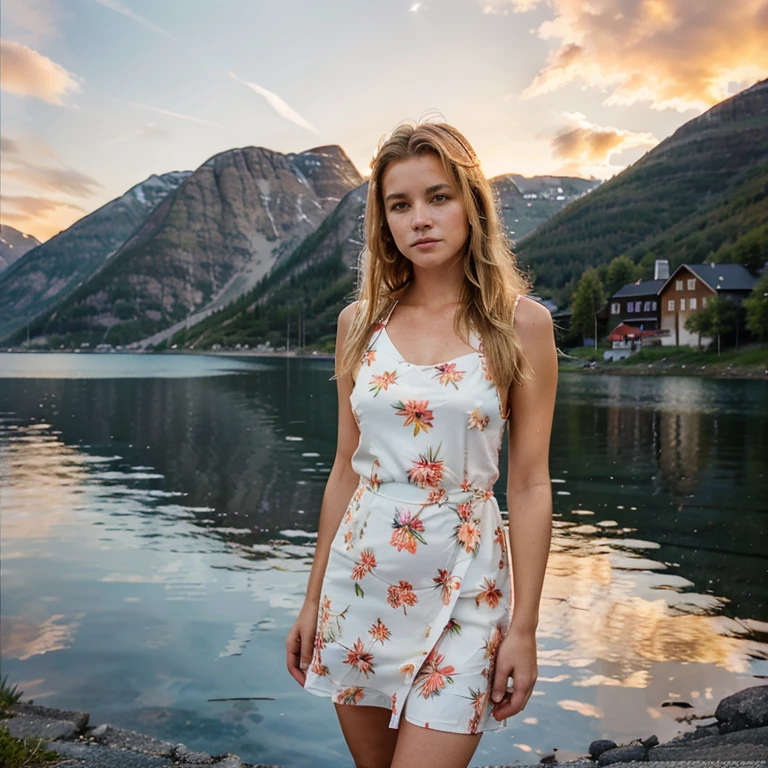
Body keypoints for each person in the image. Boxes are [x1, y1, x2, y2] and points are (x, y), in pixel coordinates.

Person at [286, 121, 557, 768]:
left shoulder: (521, 325)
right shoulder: (359, 323)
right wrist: (310, 599)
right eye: (399, 205)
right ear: (383, 222)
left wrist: (524, 627)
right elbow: (344, 473)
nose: (420, 220)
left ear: (472, 204)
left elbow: (528, 484)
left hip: (468, 587)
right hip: (361, 586)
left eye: (438, 197)